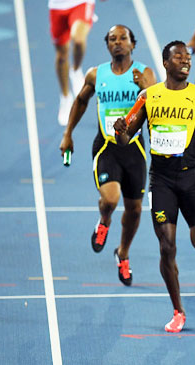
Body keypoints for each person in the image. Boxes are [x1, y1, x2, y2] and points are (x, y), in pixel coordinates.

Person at [114, 41, 195, 333]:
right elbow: (126, 138)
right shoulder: (147, 97)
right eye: (178, 56)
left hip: (192, 179)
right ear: (165, 63)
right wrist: (120, 132)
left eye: (187, 57)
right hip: (162, 181)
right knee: (167, 246)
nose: (185, 60)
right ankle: (178, 310)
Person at [59, 24, 157, 286]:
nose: (118, 43)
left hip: (134, 149)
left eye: (123, 38)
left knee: (135, 210)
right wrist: (68, 134)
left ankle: (122, 253)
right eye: (112, 39)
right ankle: (104, 220)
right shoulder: (96, 74)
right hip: (106, 148)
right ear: (107, 45)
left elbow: (158, 106)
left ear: (132, 44)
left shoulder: (145, 73)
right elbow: (81, 101)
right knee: (111, 200)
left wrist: (146, 87)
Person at [49, 0, 96, 126]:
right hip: (57, 6)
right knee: (61, 56)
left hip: (80, 3)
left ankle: (75, 70)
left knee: (79, 40)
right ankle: (65, 96)